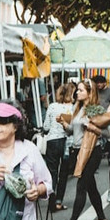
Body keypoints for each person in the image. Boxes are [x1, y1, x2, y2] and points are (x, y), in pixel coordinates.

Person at [58, 79, 110, 220]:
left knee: (81, 186)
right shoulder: (77, 107)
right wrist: (64, 124)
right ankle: (102, 219)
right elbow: (71, 132)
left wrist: (92, 127)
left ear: (89, 92)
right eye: (77, 90)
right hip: (77, 151)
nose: (77, 93)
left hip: (92, 152)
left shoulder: (94, 109)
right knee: (90, 187)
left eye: (81, 90)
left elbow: (107, 133)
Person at [42, 83, 75, 212]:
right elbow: (71, 129)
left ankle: (51, 199)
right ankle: (59, 201)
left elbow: (46, 127)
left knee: (52, 172)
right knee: (64, 173)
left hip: (52, 141)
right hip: (66, 143)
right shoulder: (72, 108)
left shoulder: (52, 106)